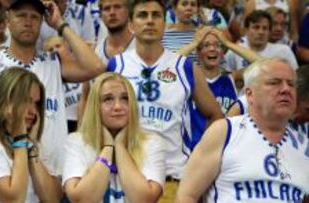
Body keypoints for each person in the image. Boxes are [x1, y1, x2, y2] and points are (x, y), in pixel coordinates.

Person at [0, 0, 104, 176]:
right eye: (21, 16)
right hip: (8, 178)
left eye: (34, 17)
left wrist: (60, 25)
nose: (28, 22)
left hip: (54, 176)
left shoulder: (54, 62)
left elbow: (96, 67)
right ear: (7, 21)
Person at [105, 0, 223, 202]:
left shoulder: (184, 67)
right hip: (123, 178)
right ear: (131, 25)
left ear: (164, 23)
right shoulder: (117, 65)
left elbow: (216, 116)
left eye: (156, 15)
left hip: (172, 179)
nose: (149, 21)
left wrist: (200, 158)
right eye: (143, 15)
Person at [176, 58, 309, 203]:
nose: (285, 89)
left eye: (291, 84)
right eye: (274, 82)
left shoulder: (305, 146)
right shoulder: (224, 131)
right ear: (249, 94)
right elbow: (187, 195)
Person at [0, 68, 61, 202]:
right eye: (26, 101)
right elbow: (15, 199)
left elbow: (52, 199)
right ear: (5, 101)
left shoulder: (32, 141)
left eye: (36, 103)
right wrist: (20, 140)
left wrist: (31, 148)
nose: (33, 111)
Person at [62, 72, 165, 202]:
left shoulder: (152, 143)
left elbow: (144, 199)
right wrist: (108, 147)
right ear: (95, 107)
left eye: (125, 98)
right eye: (108, 99)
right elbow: (81, 199)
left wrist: (120, 146)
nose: (118, 106)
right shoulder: (77, 142)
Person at [224, 10, 298, 71]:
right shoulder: (236, 51)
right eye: (256, 27)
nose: (261, 32)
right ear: (246, 30)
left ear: (269, 31)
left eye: (265, 28)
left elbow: (296, 76)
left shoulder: (284, 51)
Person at [43, 36, 81, 133]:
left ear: (68, 47)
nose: (55, 50)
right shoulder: (47, 76)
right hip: (63, 123)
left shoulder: (81, 68)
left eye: (58, 46)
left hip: (86, 117)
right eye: (50, 49)